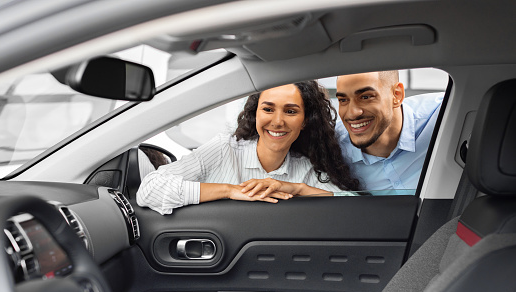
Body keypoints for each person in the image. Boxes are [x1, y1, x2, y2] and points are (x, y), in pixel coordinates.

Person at [137, 81, 360, 215]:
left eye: (290, 111)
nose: (278, 121)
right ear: (255, 114)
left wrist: (298, 189)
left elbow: (356, 208)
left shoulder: (305, 169)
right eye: (268, 109)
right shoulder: (225, 149)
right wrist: (229, 191)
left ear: (304, 121)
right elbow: (150, 190)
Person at [335, 71, 444, 190]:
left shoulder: (442, 115)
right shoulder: (332, 145)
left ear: (396, 95)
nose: (352, 113)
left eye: (366, 97)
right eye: (343, 100)